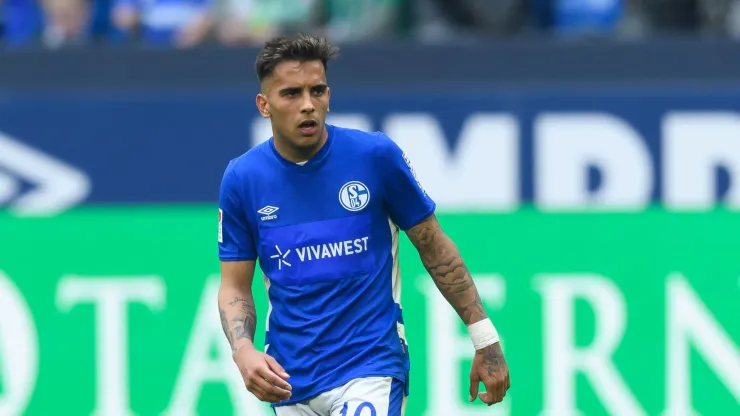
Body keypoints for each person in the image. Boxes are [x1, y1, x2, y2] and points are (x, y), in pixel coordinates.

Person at [217, 33, 510, 416]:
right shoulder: (243, 178)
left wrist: (484, 337)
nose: (308, 105)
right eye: (291, 94)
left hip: (370, 366)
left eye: (317, 91)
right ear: (264, 104)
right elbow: (234, 285)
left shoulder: (375, 156)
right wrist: (242, 351)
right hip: (290, 380)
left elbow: (433, 245)